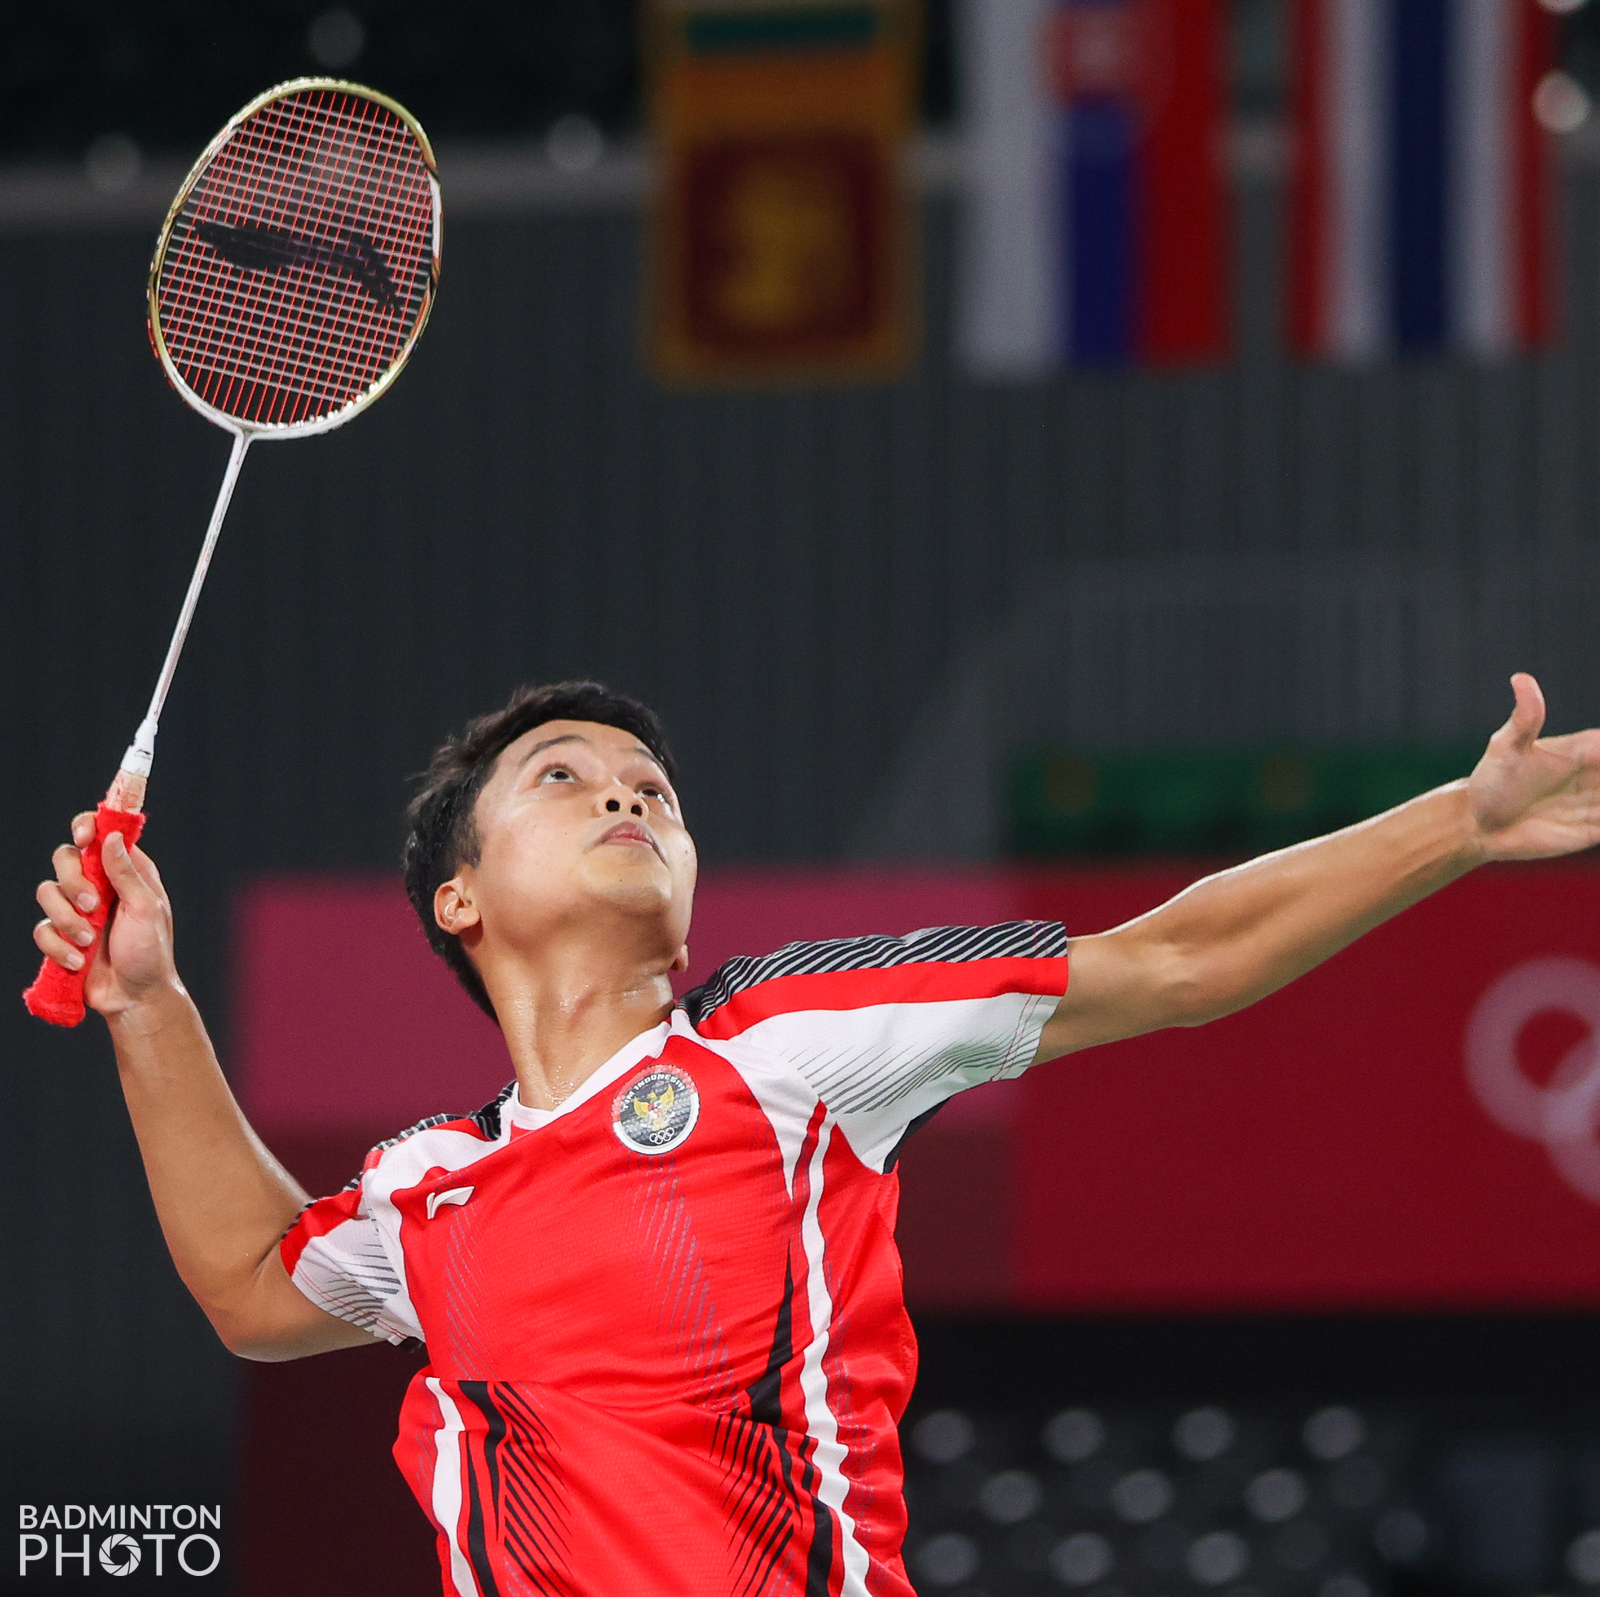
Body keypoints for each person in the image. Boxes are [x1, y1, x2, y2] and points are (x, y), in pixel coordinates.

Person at [31, 674, 1600, 1597]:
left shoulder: (783, 1046)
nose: (629, 797)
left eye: (654, 786)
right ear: (461, 897)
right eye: (564, 779)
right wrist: (146, 998)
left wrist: (1457, 826)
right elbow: (250, 1282)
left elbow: (1174, 961)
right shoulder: (430, 1184)